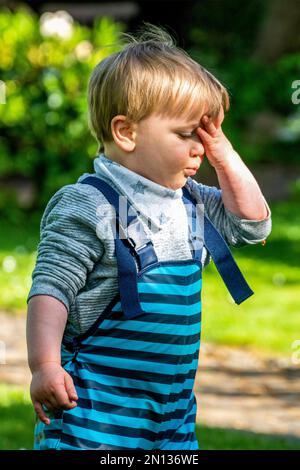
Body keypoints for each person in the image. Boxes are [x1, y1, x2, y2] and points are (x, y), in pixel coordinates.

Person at [26, 23, 272, 450]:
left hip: (171, 415)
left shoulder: (193, 202)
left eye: (206, 134)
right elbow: (51, 289)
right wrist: (44, 364)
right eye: (186, 134)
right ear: (126, 132)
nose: (200, 148)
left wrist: (226, 156)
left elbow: (254, 225)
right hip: (94, 412)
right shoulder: (90, 205)